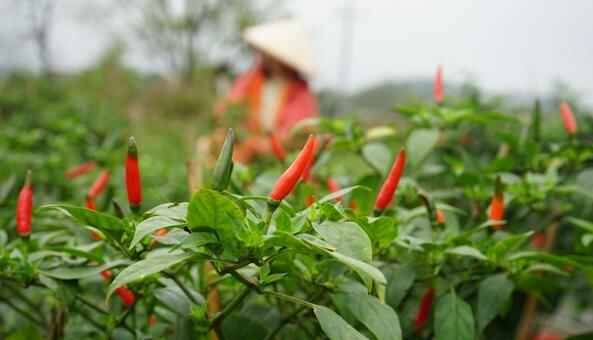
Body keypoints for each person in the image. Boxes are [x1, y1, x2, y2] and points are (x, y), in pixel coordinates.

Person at [216, 18, 318, 163]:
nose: (275, 60)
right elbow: (228, 111)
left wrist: (267, 145)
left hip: (280, 158)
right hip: (243, 153)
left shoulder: (300, 91)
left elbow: (299, 131)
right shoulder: (247, 81)